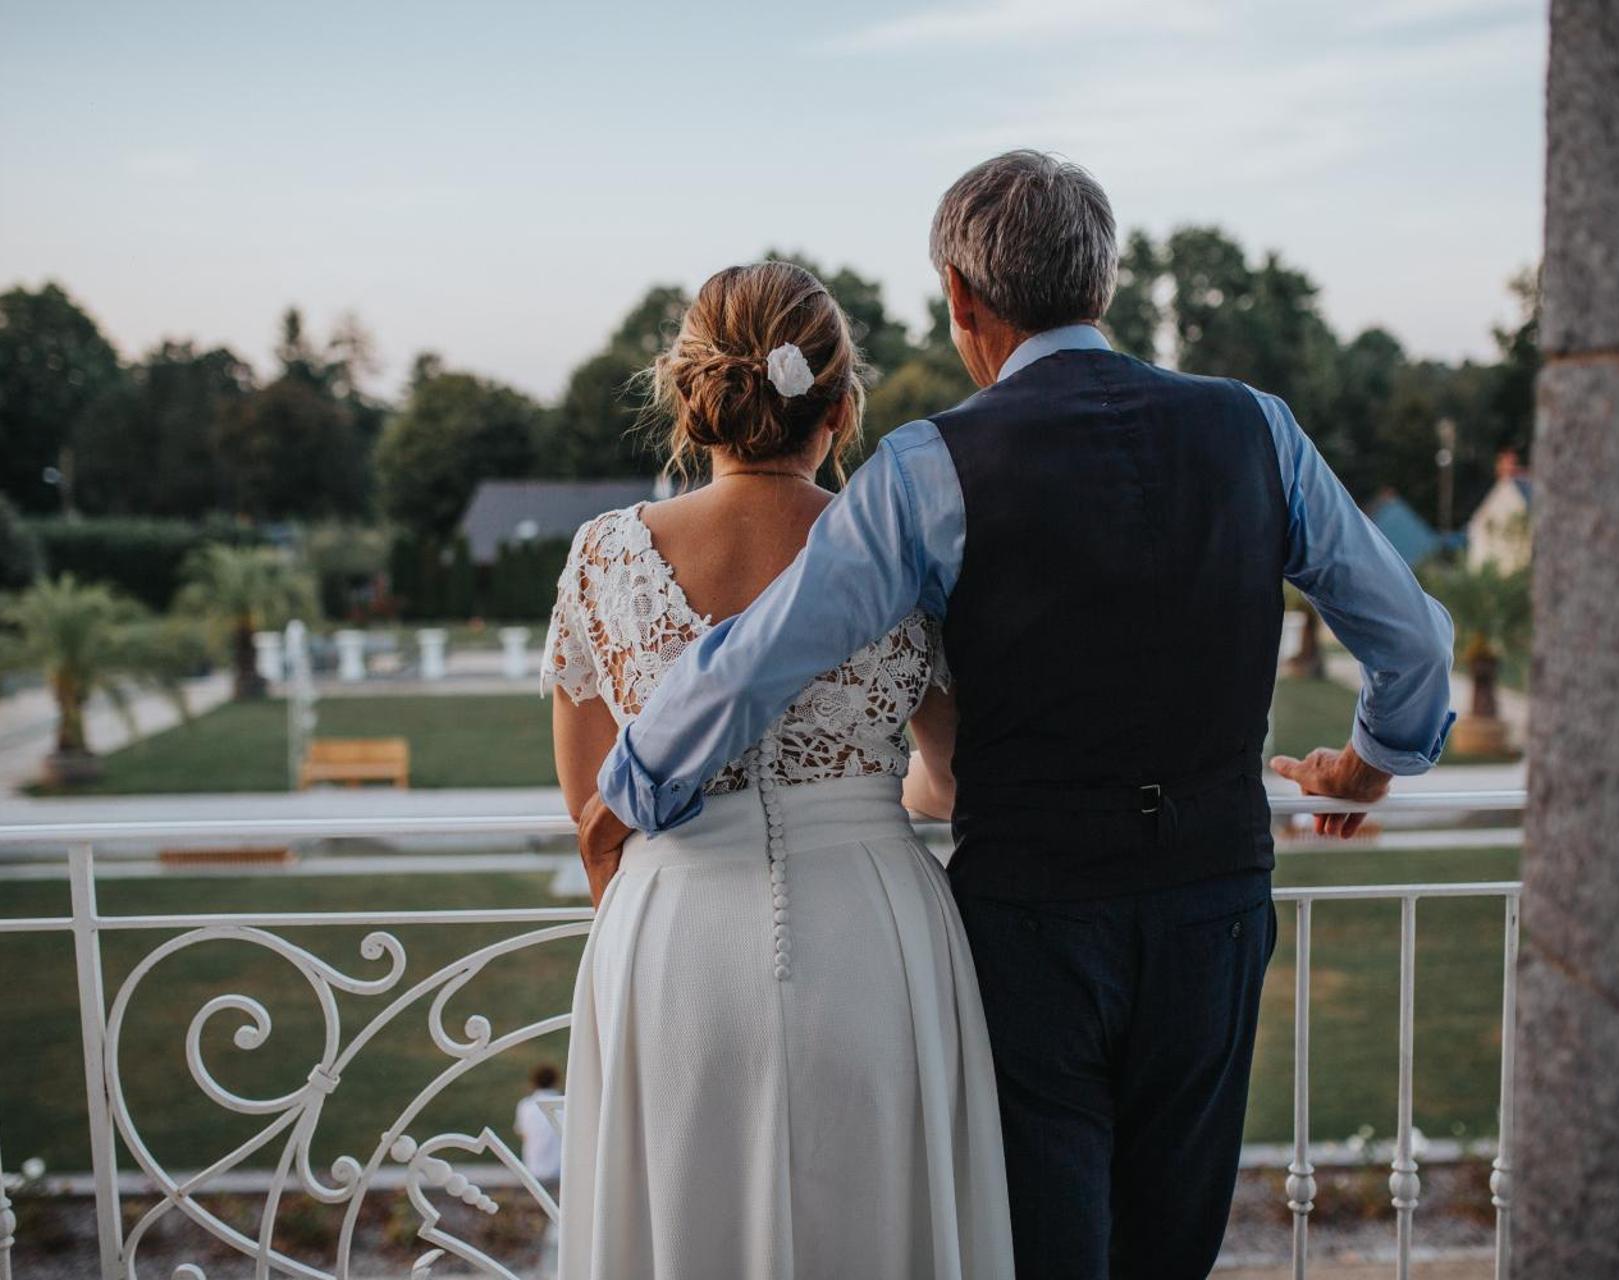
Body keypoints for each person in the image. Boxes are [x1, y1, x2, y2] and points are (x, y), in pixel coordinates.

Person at [581, 151, 1457, 1278]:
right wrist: (1376, 759)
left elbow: (763, 655)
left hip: (1034, 920)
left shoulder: (929, 467)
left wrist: (635, 781)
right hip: (1215, 903)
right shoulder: (1255, 428)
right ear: (1103, 283)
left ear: (961, 297)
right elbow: (1415, 641)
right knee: (1170, 1241)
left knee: (1045, 1246)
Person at [546, 261, 1014, 1280]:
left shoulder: (605, 556)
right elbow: (954, 771)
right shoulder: (904, 553)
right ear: (841, 409)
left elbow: (591, 805)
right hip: (875, 935)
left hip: (673, 939)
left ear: (689, 402)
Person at [514, 1063, 563, 1194]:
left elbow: (523, 1134)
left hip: (533, 1169)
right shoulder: (564, 1105)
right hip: (561, 1170)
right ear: (556, 1081)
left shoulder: (525, 1105)